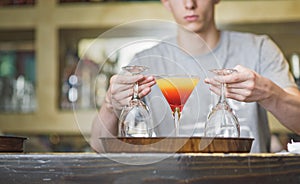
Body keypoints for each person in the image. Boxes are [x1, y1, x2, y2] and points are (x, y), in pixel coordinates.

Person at [91, 0, 300, 153]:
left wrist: (269, 94)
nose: (189, 4)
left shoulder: (259, 49)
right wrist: (111, 105)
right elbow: (99, 148)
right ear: (165, 2)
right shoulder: (145, 62)